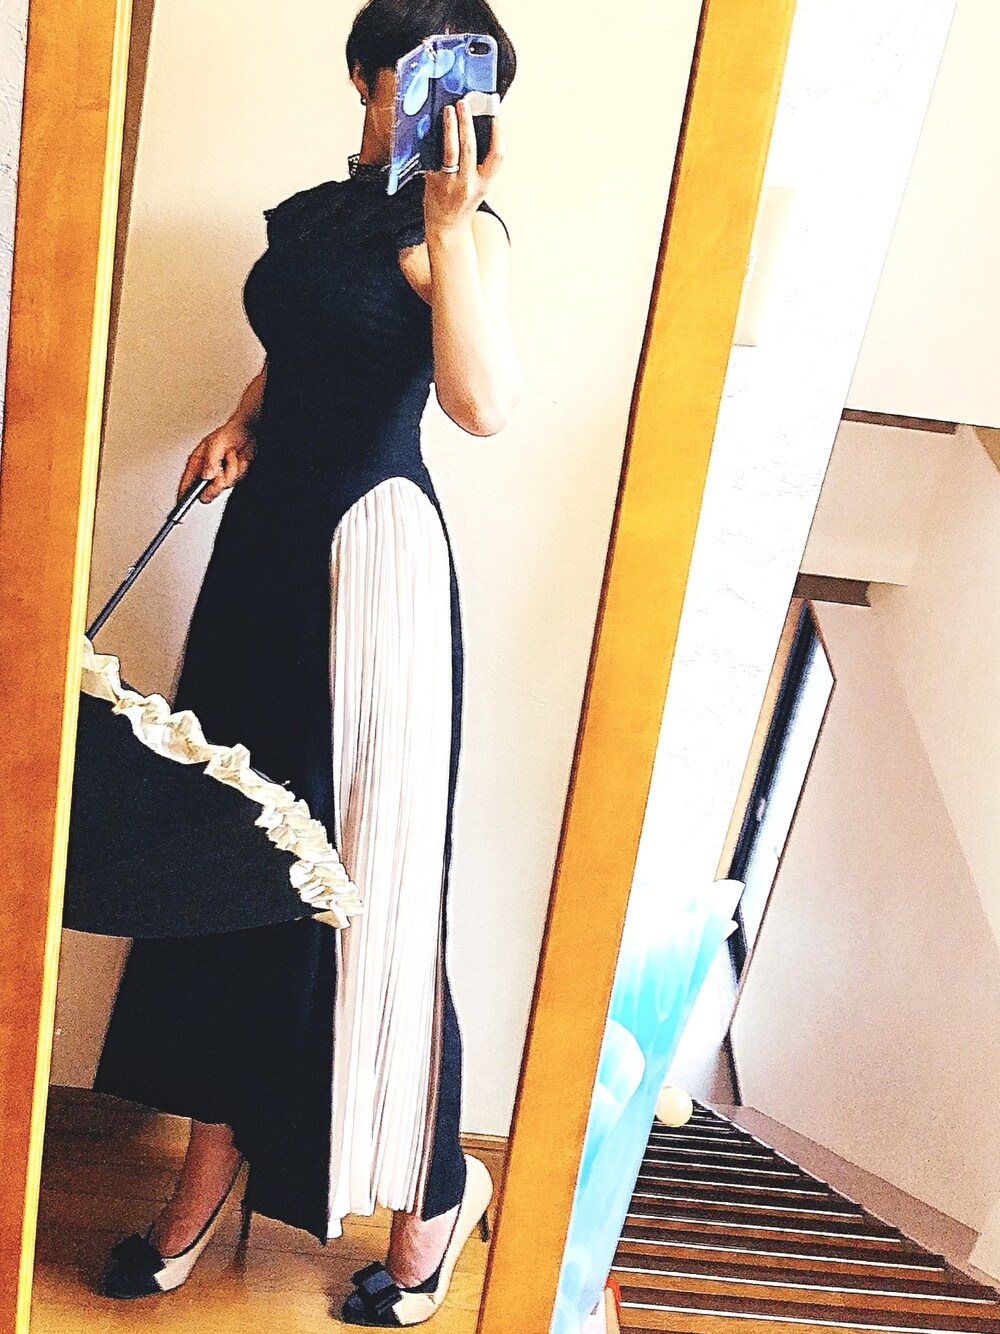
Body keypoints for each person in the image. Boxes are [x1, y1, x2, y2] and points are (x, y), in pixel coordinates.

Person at [91, 1, 522, 1325]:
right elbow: (302, 349)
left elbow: (481, 404)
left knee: (371, 885)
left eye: (470, 87)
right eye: (418, 77)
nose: (440, 107)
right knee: (228, 857)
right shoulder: (320, 217)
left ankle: (430, 1200)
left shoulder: (457, 234)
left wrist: (452, 223)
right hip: (265, 553)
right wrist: (241, 421)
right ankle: (209, 1160)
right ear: (366, 77)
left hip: (370, 563)